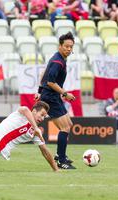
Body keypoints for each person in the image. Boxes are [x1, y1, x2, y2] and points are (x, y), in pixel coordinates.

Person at [35, 32, 76, 170]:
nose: (69, 49)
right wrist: (65, 93)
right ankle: (61, 160)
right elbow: (51, 82)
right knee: (65, 127)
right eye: (66, 46)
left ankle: (60, 155)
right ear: (60, 46)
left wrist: (39, 90)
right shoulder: (58, 61)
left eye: (71, 47)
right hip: (50, 97)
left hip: (52, 96)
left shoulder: (59, 58)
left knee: (68, 124)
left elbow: (43, 73)